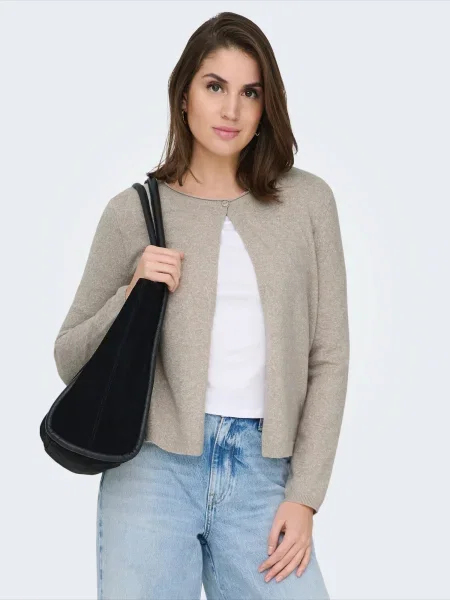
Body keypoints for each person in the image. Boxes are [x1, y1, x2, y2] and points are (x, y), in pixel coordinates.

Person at [54, 11, 350, 600]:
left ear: (266, 106)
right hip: (151, 472)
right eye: (215, 86)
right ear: (184, 94)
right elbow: (69, 358)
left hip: (263, 473)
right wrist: (132, 290)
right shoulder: (133, 213)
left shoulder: (308, 204)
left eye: (250, 93)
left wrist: (305, 495)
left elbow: (329, 356)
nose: (231, 110)